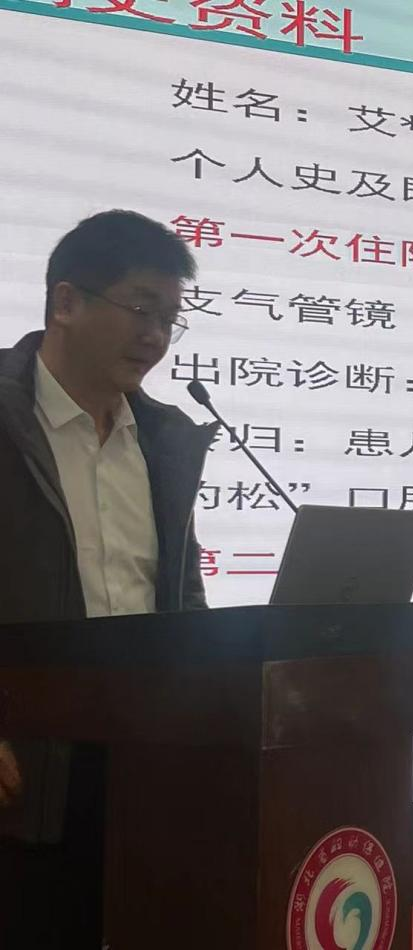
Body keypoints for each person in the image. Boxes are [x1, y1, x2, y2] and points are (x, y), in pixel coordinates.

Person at [0, 209, 215, 946]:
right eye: (140, 308)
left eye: (169, 318)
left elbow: (179, 591)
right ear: (66, 302)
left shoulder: (161, 440)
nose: (156, 336)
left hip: (143, 762)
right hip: (22, 764)